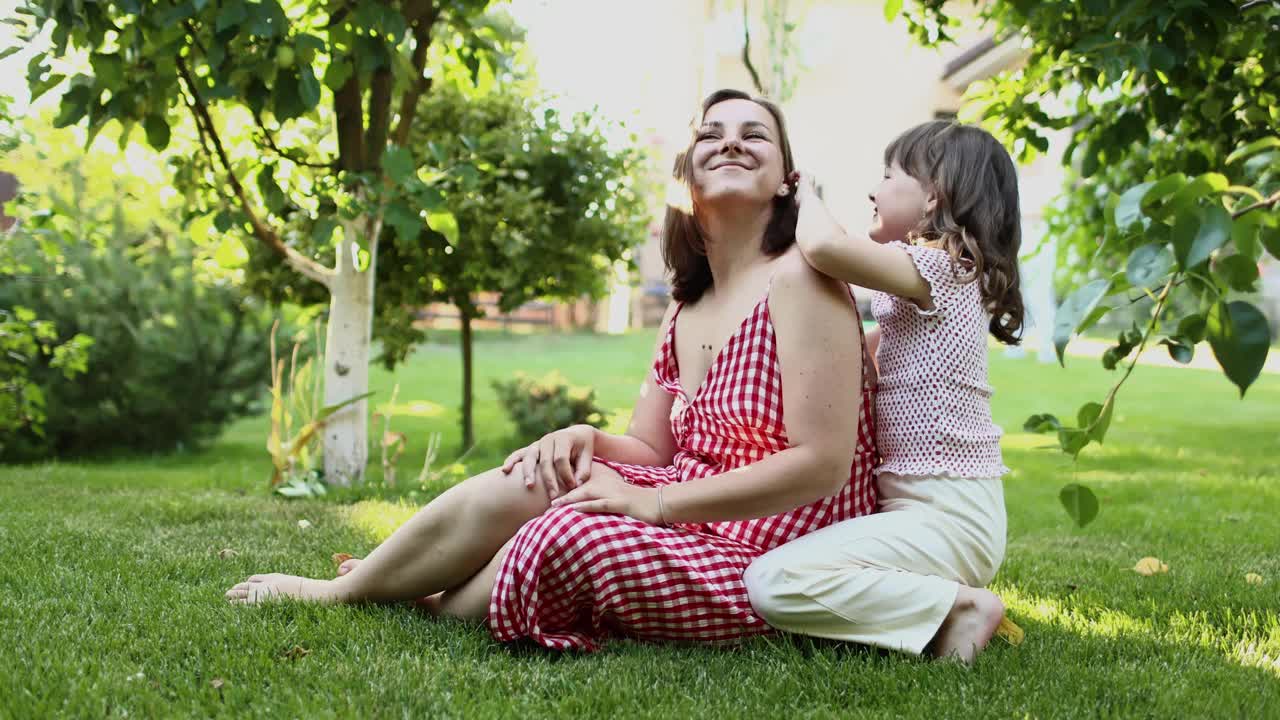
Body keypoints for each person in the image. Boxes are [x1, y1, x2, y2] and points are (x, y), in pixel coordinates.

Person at [227, 89, 879, 652]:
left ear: (789, 179)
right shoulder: (686, 303)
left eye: (753, 135)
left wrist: (653, 504)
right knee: (545, 474)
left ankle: (402, 595)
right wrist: (584, 441)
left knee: (569, 530)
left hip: (781, 551)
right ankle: (358, 587)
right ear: (687, 175)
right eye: (711, 134)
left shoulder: (804, 279)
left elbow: (821, 464)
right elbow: (655, 449)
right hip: (694, 509)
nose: (730, 143)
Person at [744, 121, 1024, 663]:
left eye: (888, 175)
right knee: (782, 571)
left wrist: (806, 192)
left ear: (933, 196)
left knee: (773, 582)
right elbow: (862, 350)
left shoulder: (944, 270)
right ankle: (940, 608)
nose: (874, 189)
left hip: (947, 517)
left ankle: (960, 609)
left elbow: (826, 247)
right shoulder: (930, 288)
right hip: (928, 514)